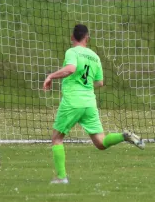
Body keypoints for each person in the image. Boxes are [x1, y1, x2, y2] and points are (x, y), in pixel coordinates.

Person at [43, 24, 145, 184]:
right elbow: (99, 82)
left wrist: (51, 76)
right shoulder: (95, 56)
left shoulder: (72, 51)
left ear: (72, 37)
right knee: (101, 143)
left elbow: (70, 68)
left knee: (57, 138)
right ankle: (124, 136)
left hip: (73, 101)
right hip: (89, 102)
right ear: (87, 38)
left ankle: (61, 177)